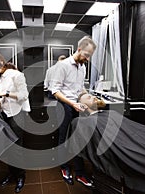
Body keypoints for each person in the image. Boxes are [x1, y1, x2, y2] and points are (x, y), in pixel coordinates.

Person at [49, 36, 97, 188]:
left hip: (76, 104)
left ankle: (80, 173)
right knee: (63, 139)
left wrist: (87, 98)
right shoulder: (62, 66)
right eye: (86, 55)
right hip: (63, 104)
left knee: (77, 138)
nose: (88, 59)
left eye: (90, 56)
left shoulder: (82, 67)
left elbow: (80, 88)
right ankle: (64, 168)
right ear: (79, 49)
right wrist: (72, 104)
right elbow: (55, 91)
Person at [0, 51, 30, 193]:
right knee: (7, 147)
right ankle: (12, 173)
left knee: (16, 147)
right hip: (5, 115)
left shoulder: (17, 75)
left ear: (0, 62)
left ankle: (20, 176)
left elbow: (23, 95)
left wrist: (5, 94)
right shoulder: (0, 77)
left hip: (17, 115)